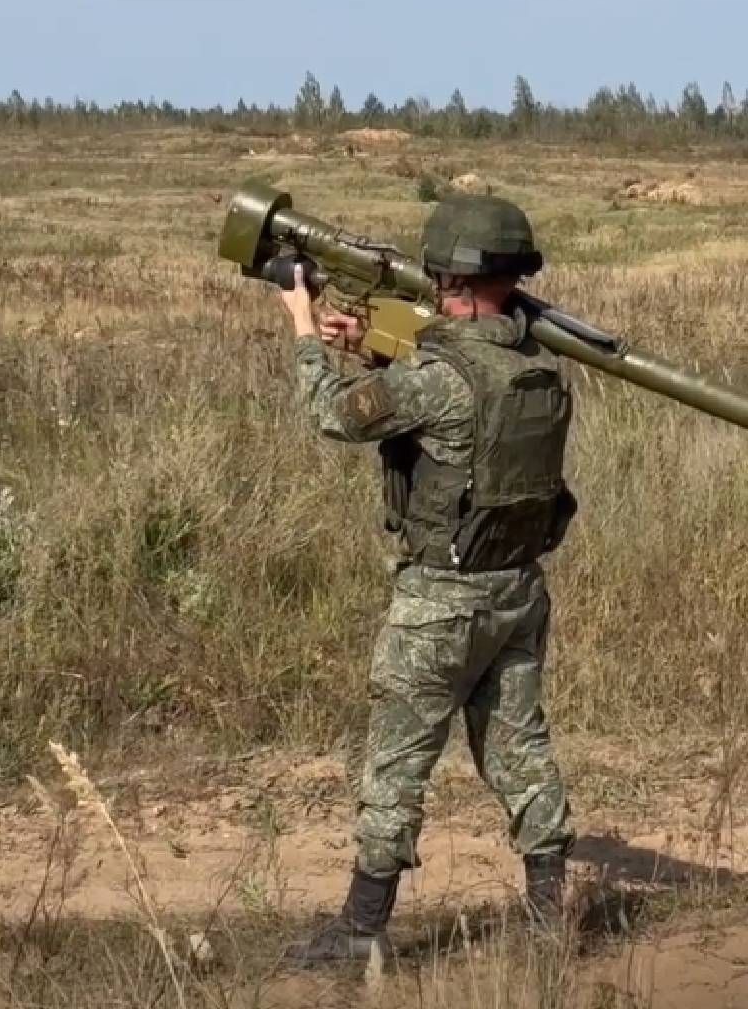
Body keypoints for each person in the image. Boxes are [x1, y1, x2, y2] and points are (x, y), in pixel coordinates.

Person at [273, 194, 579, 964]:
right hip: (515, 590)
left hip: (439, 605)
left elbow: (336, 417)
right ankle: (549, 916)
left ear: (447, 274)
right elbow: (458, 425)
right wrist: (373, 342)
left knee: (397, 760)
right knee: (519, 751)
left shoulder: (439, 376)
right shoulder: (539, 366)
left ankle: (360, 931)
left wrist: (304, 323)